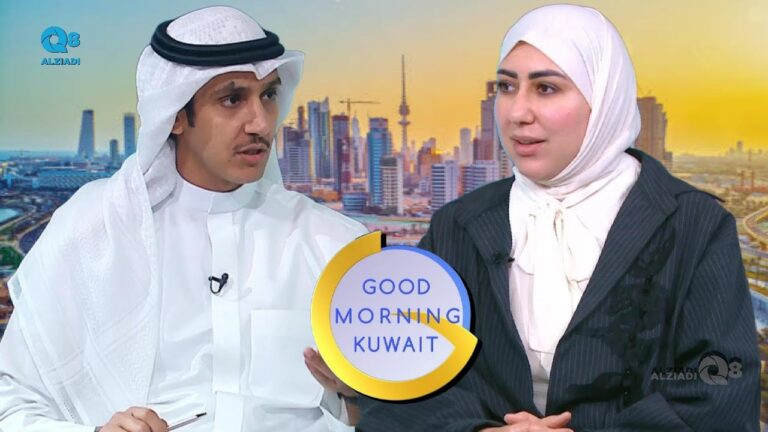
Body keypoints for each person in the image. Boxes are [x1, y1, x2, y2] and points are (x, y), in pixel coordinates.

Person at [355, 4, 760, 431]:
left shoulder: (696, 225)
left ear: (603, 99)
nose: (517, 113)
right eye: (506, 87)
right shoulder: (458, 224)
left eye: (546, 88)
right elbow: (400, 378)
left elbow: (722, 394)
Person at [0, 6, 365, 432]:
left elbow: (396, 413)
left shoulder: (335, 244)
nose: (261, 122)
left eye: (268, 95)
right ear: (174, 115)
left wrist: (360, 396)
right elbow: (11, 404)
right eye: (232, 99)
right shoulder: (93, 230)